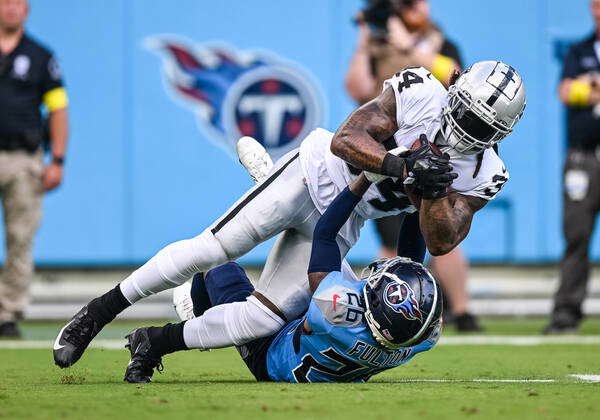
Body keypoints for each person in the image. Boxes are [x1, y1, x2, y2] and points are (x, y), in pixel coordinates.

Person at [53, 60, 525, 369]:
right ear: (454, 85)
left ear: (501, 132)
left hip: (345, 221)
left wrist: (436, 186)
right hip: (312, 174)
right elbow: (346, 139)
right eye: (463, 111)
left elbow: (440, 240)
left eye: (480, 126)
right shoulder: (420, 90)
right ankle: (98, 312)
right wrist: (398, 164)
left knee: (262, 321)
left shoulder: (487, 171)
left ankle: (154, 342)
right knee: (214, 248)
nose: (463, 129)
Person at [122, 172, 442, 383]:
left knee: (224, 271)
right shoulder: (419, 337)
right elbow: (410, 261)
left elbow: (326, 235)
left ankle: (154, 338)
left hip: (272, 357)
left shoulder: (333, 310)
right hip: (320, 338)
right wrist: (419, 201)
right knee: (326, 271)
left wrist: (362, 180)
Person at [346, 0, 479, 332]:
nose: (417, 9)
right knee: (392, 239)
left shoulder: (440, 44)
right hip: (390, 155)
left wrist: (409, 47)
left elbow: (457, 82)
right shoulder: (379, 46)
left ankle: (462, 311)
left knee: (441, 230)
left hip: (435, 151)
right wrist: (365, 43)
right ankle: (386, 309)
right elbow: (358, 90)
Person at [0, 0, 68, 337]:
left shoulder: (41, 56)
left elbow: (57, 109)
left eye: (17, 2)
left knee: (20, 237)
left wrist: (57, 159)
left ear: (26, 9)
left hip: (22, 159)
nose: (10, 8)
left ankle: (8, 313)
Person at [544, 0, 600, 334]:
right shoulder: (579, 50)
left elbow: (577, 90)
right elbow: (565, 92)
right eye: (594, 6)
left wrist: (589, 86)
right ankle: (566, 311)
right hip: (583, 157)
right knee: (576, 235)